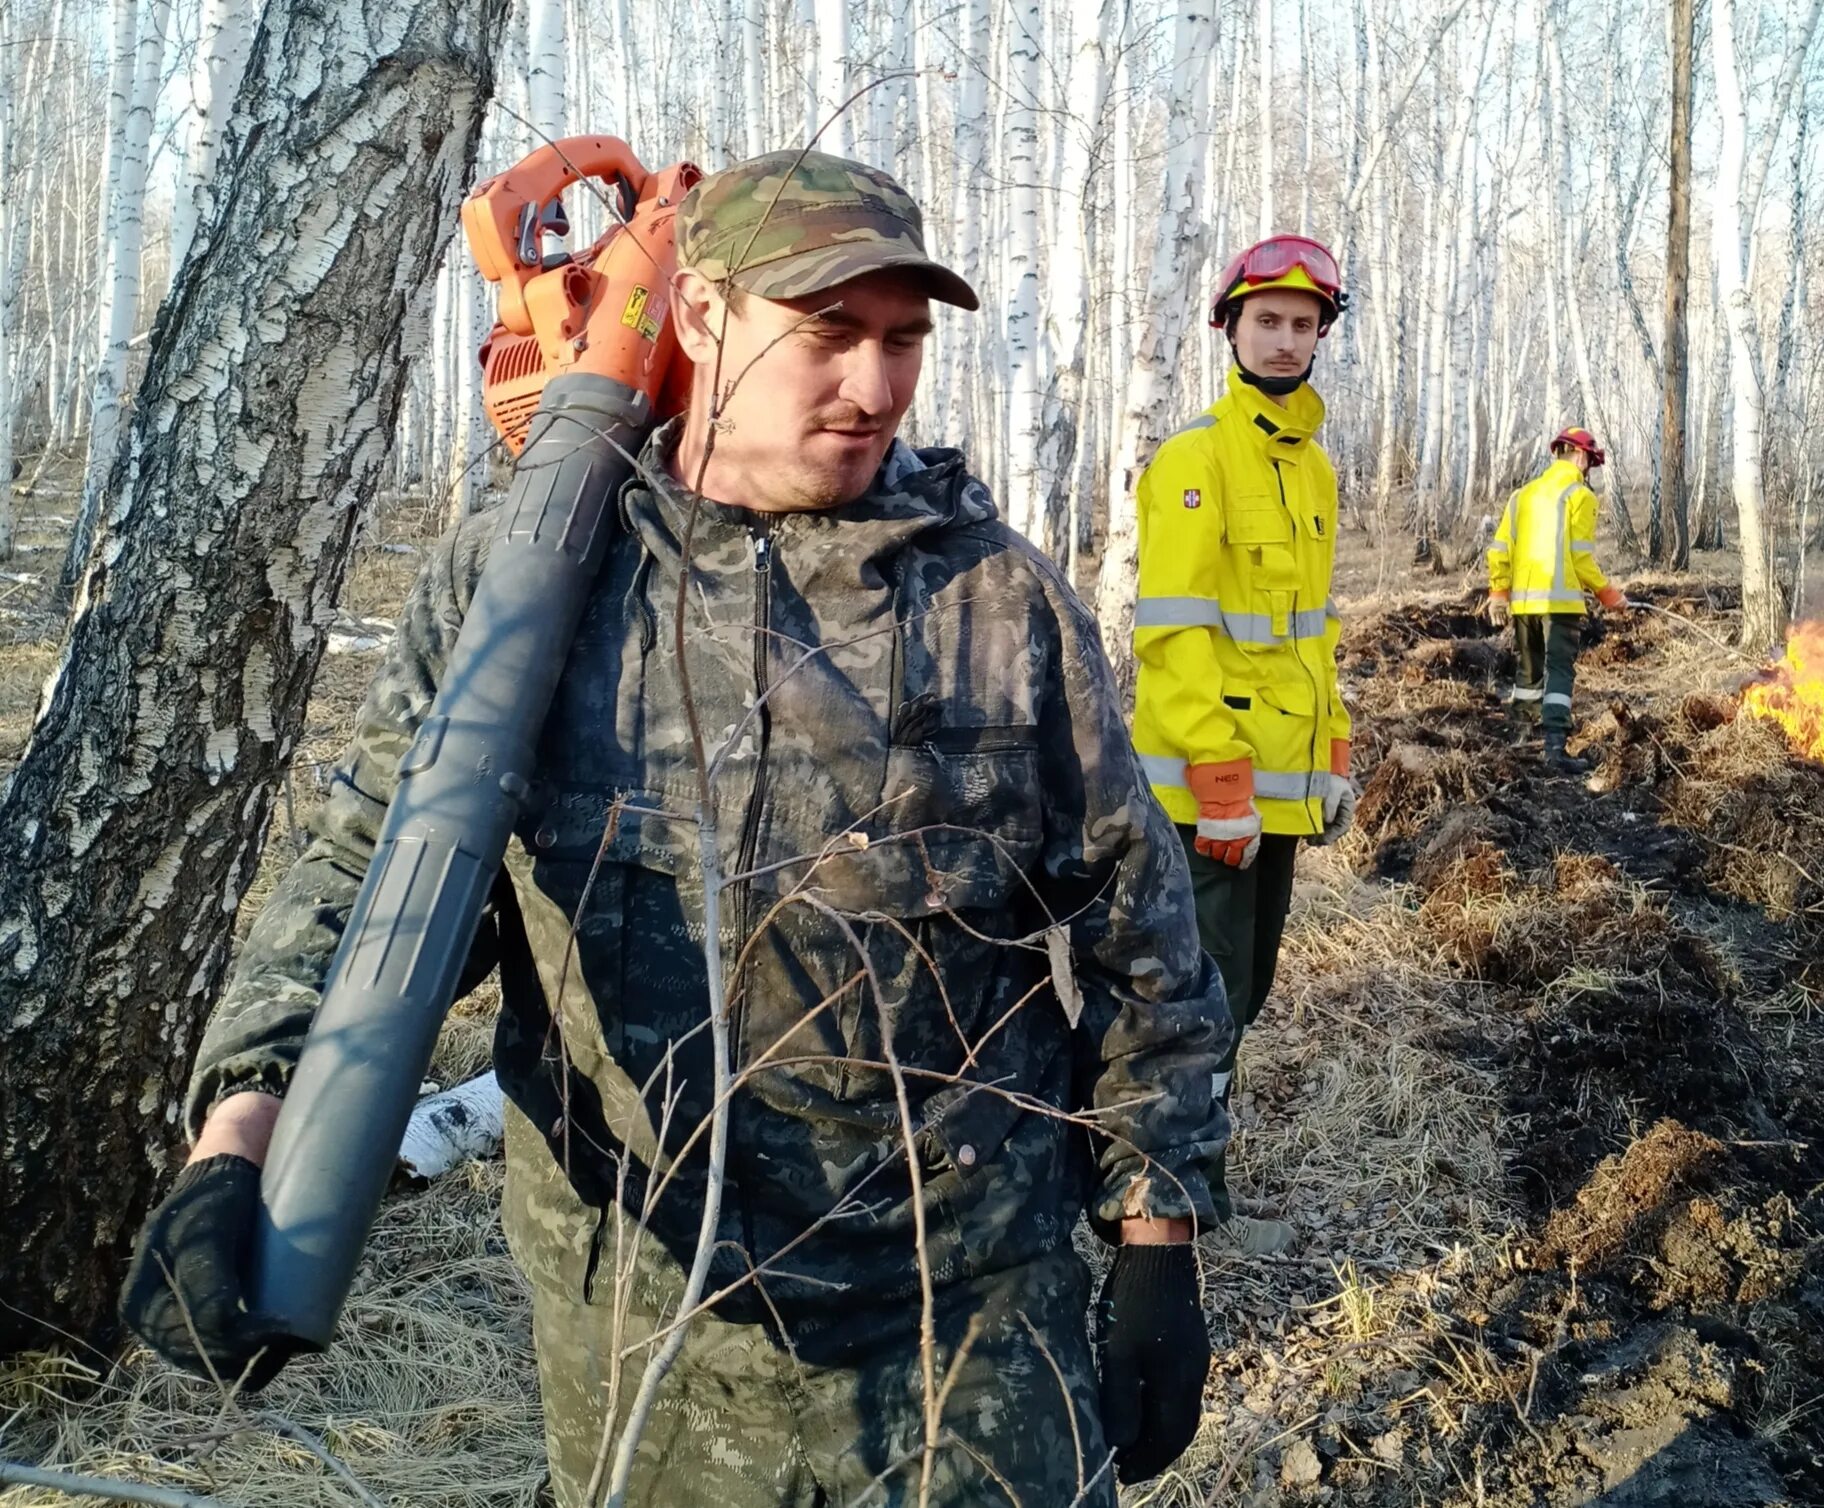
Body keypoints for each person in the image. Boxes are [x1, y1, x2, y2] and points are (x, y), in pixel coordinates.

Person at [119, 151, 1232, 1508]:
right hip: (644, 1323)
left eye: (903, 342)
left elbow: (1143, 938)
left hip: (966, 1313)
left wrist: (1156, 1234)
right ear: (700, 317)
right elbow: (374, 873)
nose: (875, 387)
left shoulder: (996, 606)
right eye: (828, 334)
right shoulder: (538, 589)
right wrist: (242, 1140)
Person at [1127, 234, 1356, 1258]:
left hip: (1272, 798)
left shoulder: (1312, 471)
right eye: (1265, 321)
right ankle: (1182, 1211)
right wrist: (1220, 784)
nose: (1283, 340)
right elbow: (1172, 637)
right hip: (1207, 796)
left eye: (1302, 325)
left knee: (1243, 995)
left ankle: (1186, 1190)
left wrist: (1334, 758)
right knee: (1199, 1005)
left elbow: (1309, 635)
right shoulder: (1194, 461)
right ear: (1229, 328)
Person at [1485, 427, 1628, 775]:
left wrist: (1499, 593)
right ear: (1580, 457)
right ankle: (1554, 748)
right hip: (1559, 603)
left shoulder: (1522, 496)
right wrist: (1608, 594)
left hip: (1522, 605)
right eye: (1589, 464)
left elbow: (1500, 548)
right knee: (1559, 673)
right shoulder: (1579, 496)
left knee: (1528, 670)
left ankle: (1521, 739)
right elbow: (1580, 558)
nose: (1587, 472)